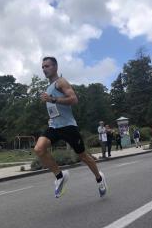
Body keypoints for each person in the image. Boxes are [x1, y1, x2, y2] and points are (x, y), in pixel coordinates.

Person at [34, 57, 107, 198]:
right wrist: (51, 115)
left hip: (68, 126)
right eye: (42, 67)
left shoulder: (61, 82)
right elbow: (54, 108)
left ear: (55, 67)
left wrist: (53, 99)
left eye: (47, 66)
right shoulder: (48, 88)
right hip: (54, 127)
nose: (44, 69)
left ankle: (99, 178)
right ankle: (60, 176)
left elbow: (74, 99)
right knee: (39, 149)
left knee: (83, 156)